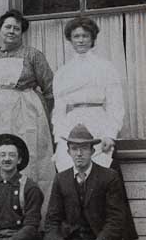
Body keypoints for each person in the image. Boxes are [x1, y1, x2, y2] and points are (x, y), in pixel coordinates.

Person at [0, 9, 55, 218]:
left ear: (22, 33)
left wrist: (40, 116)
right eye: (8, 27)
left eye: (17, 28)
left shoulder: (33, 55)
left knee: (29, 161)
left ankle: (35, 221)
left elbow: (50, 89)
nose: (12, 31)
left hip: (26, 117)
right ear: (0, 30)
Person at [52, 17, 125, 172]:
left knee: (101, 170)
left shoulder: (105, 67)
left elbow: (115, 104)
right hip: (70, 123)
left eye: (85, 36)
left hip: (98, 121)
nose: (81, 40)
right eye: (76, 36)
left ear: (92, 38)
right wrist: (58, 137)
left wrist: (110, 134)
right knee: (68, 169)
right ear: (70, 40)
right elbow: (58, 109)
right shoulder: (63, 72)